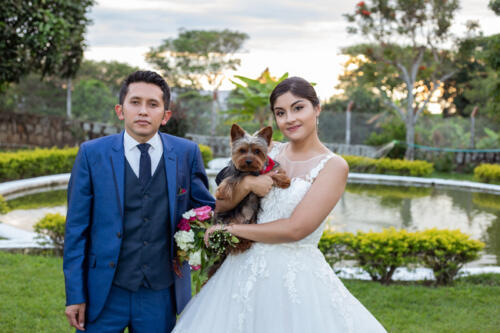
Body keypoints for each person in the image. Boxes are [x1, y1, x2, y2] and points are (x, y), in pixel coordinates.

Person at [172, 77, 387, 332]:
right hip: (239, 270)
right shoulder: (267, 152)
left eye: (298, 108)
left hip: (294, 277)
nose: (290, 119)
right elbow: (221, 205)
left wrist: (231, 231)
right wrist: (250, 185)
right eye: (280, 113)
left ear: (317, 109)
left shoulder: (333, 166)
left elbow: (296, 229)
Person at [63, 70, 215, 332]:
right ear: (120, 110)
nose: (143, 111)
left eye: (153, 104)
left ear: (165, 115)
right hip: (103, 290)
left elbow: (206, 210)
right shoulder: (91, 154)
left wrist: (244, 183)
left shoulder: (186, 153)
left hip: (160, 292)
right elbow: (76, 229)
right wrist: (75, 294)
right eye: (135, 102)